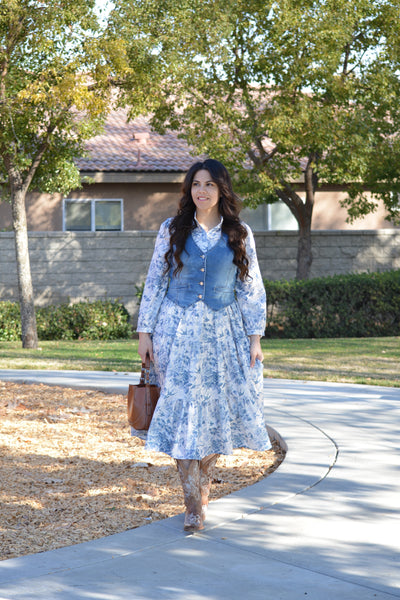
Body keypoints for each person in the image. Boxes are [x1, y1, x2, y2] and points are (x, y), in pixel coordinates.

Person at [136, 158, 271, 533]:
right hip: (175, 332)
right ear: (189, 189)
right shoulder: (172, 228)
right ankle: (191, 502)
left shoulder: (239, 232)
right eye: (196, 184)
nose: (202, 191)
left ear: (221, 189)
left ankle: (204, 487)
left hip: (222, 333)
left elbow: (251, 287)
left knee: (214, 414)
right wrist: (145, 332)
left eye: (210, 185)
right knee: (181, 414)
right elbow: (155, 280)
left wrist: (254, 337)